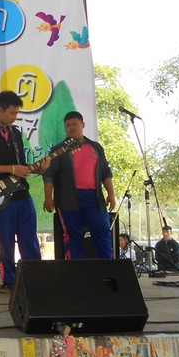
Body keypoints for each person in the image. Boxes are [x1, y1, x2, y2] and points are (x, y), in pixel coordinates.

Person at [0, 91, 49, 292]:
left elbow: (21, 164)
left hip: (22, 193)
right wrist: (12, 169)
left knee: (29, 238)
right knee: (5, 241)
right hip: (0, 196)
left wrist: (38, 169)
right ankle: (8, 281)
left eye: (17, 113)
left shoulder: (16, 134)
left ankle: (34, 278)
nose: (15, 117)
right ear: (0, 110)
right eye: (12, 113)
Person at [43, 111, 117, 259]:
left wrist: (111, 194)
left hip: (94, 198)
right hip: (68, 199)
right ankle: (76, 269)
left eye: (75, 124)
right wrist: (48, 198)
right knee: (73, 235)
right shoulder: (58, 150)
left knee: (103, 231)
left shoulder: (96, 147)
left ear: (83, 125)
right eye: (68, 125)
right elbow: (49, 175)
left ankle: (107, 267)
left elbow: (105, 173)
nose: (71, 127)